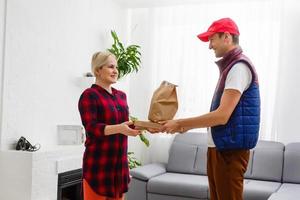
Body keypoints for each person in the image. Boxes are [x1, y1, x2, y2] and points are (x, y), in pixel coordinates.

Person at [162, 18, 260, 200]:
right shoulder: (231, 67)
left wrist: (181, 124)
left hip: (229, 150)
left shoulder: (239, 67)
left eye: (212, 39)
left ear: (227, 37)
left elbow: (222, 116)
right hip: (221, 147)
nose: (209, 46)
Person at [78, 51, 141, 200]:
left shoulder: (121, 96)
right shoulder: (89, 95)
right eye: (111, 67)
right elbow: (92, 128)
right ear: (98, 70)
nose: (116, 71)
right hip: (98, 167)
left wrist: (146, 126)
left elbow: (125, 125)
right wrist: (120, 128)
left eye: (116, 67)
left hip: (119, 169)